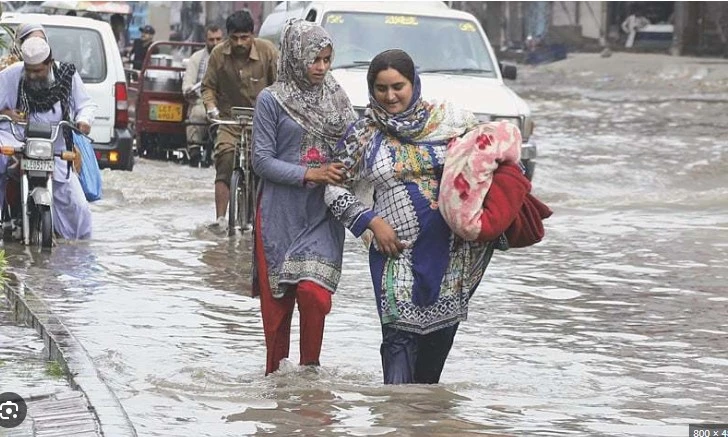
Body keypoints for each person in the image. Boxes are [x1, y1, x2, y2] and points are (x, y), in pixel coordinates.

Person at [325, 49, 515, 384]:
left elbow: (492, 158)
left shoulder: (451, 122)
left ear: (414, 84)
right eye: (381, 89)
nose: (390, 96)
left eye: (398, 86)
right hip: (394, 251)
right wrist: (370, 221)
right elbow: (332, 189)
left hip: (452, 254)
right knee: (397, 341)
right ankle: (396, 419)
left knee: (434, 354)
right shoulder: (363, 136)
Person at [251, 19, 356, 375]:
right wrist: (310, 173)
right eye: (315, 60)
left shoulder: (337, 98)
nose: (322, 68)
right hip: (279, 215)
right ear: (296, 57)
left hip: (321, 214)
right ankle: (278, 387)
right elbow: (261, 161)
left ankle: (310, 376)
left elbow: (355, 145)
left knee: (315, 295)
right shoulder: (271, 100)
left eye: (327, 60)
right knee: (277, 312)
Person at [0, 36, 97, 240]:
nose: (33, 75)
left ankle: (74, 257)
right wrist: (7, 114)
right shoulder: (11, 75)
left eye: (38, 71)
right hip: (16, 139)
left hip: (54, 146)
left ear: (50, 63)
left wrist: (84, 121)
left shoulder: (67, 75)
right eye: (29, 70)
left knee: (79, 209)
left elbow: (85, 105)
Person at [202, 10, 277, 230]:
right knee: (224, 156)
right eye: (234, 38)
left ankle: (260, 217)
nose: (239, 43)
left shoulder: (268, 52)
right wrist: (211, 108)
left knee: (263, 164)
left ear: (252, 35)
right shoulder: (218, 55)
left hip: (262, 121)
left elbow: (281, 87)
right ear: (228, 36)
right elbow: (208, 87)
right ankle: (220, 218)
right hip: (230, 120)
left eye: (244, 37)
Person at [182, 25, 224, 167]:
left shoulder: (230, 58)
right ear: (206, 40)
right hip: (201, 102)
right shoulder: (196, 58)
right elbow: (188, 83)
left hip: (224, 104)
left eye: (218, 39)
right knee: (196, 116)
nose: (215, 43)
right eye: (211, 39)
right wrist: (190, 90)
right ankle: (194, 152)